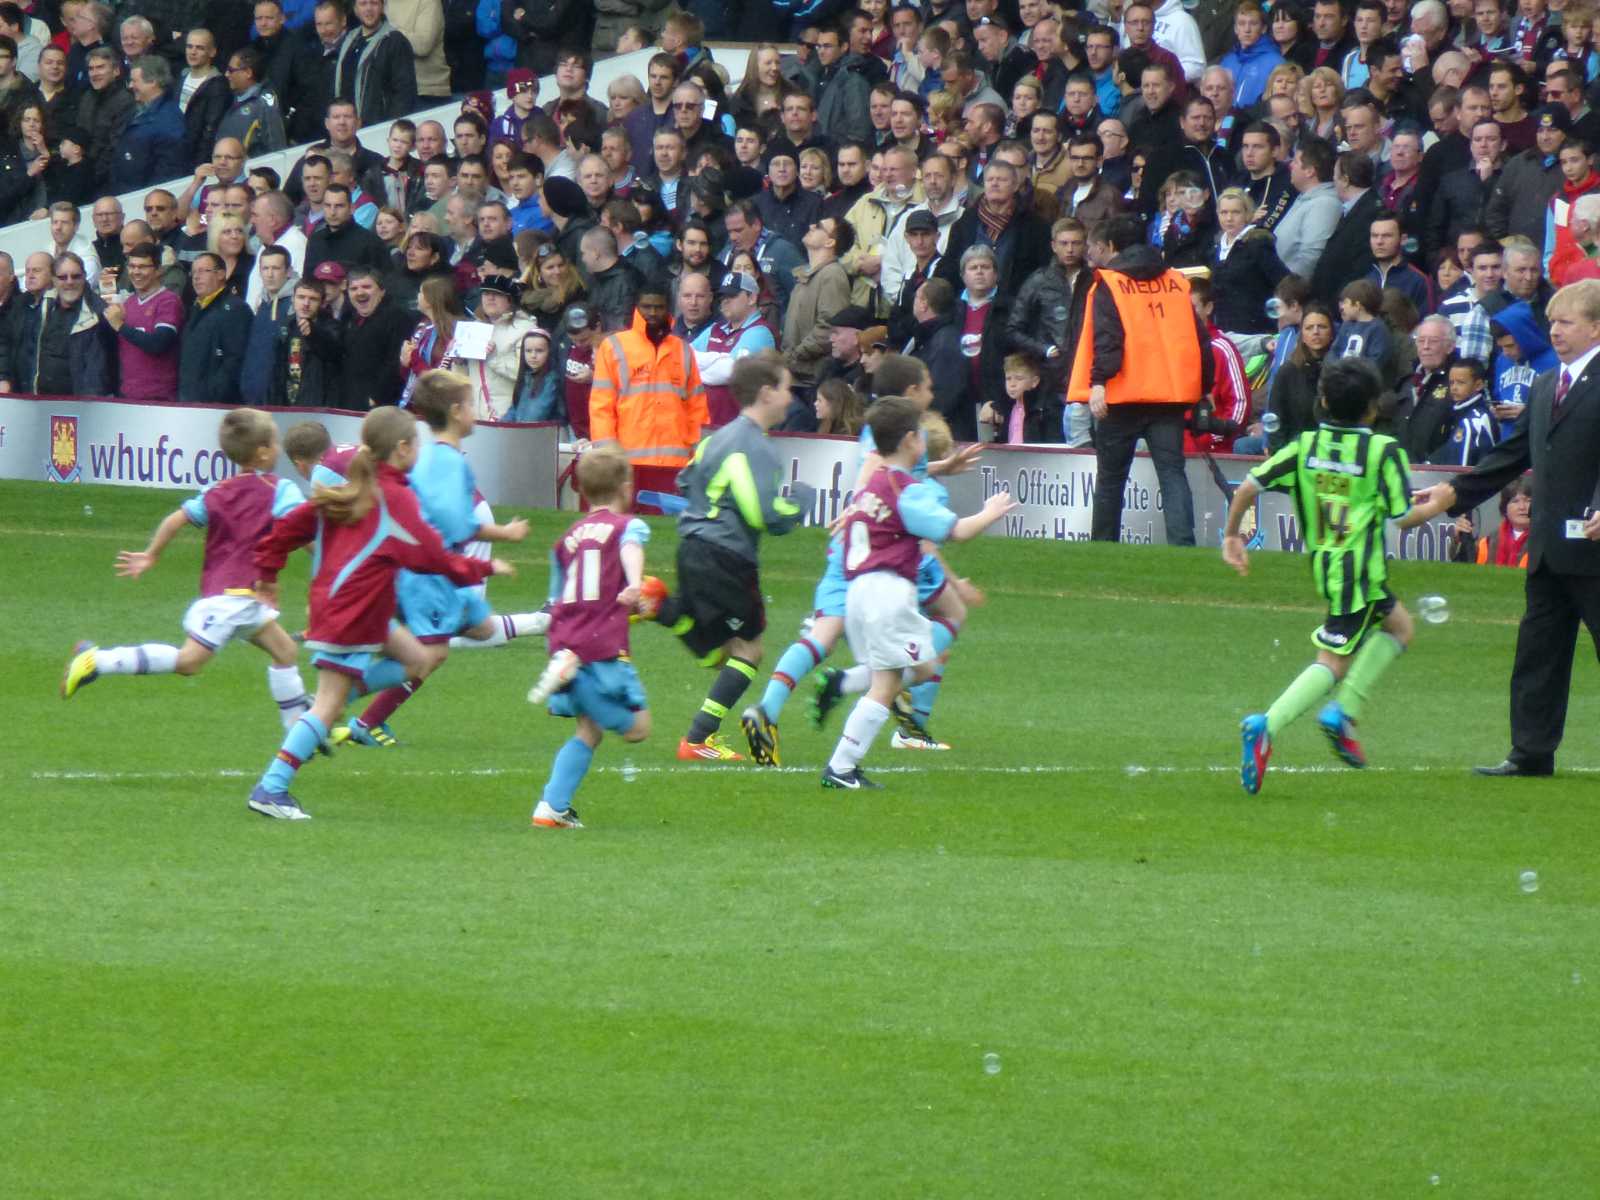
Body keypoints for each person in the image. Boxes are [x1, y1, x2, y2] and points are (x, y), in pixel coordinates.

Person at [246, 407, 510, 819]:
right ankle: (272, 787)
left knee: (420, 659)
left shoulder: (353, 486)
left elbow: (289, 528)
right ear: (402, 448)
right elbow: (428, 552)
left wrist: (267, 571)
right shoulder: (393, 495)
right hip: (353, 612)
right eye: (415, 443)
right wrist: (481, 567)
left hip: (361, 607)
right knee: (329, 705)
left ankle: (331, 704)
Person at [1226, 356, 1433, 792]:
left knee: (1400, 628)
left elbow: (1247, 487)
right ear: (1374, 408)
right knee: (1333, 663)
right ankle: (1271, 723)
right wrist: (1447, 500)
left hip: (1330, 567)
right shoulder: (1382, 450)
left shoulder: (1305, 447)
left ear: (1322, 400)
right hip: (1358, 574)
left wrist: (1232, 537)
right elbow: (1405, 516)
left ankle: (1344, 713)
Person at [60, 408, 311, 732]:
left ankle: (299, 734)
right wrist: (329, 556)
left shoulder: (218, 491)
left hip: (236, 597)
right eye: (275, 442)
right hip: (236, 598)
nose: (278, 448)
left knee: (286, 651)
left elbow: (176, 519)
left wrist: (152, 555)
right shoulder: (280, 490)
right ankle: (95, 662)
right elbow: (300, 529)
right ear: (263, 451)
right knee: (189, 662)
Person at [811, 396, 1015, 790]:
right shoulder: (906, 489)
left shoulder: (874, 479)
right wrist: (991, 511)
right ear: (910, 441)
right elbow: (955, 532)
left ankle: (840, 685)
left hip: (862, 591)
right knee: (886, 684)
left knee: (923, 667)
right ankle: (842, 767)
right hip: (887, 592)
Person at [334, 371, 543, 748]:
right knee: (430, 654)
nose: (475, 412)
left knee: (478, 629)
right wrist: (504, 534)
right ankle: (345, 700)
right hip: (430, 573)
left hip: (429, 571)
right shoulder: (449, 462)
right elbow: (454, 523)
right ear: (457, 410)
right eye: (471, 403)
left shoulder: (427, 455)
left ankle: (364, 713)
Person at [640, 351, 815, 763]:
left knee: (717, 647)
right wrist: (801, 500)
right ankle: (699, 738)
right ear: (767, 392)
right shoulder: (753, 446)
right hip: (727, 556)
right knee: (748, 650)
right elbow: (765, 515)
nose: (791, 398)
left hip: (692, 547)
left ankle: (665, 608)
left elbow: (685, 480)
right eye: (787, 389)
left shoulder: (716, 438)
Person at [1067, 216, 1211, 545]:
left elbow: (1108, 338)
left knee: (1111, 479)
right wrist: (1204, 389)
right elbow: (1200, 339)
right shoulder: (1176, 281)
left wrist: (1099, 382)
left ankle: (1103, 547)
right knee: (1172, 473)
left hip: (1122, 396)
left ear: (1113, 247)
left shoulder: (1109, 282)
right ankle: (1183, 546)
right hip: (1169, 396)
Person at [588, 285, 709, 470]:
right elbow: (601, 407)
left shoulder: (682, 349)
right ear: (636, 307)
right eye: (646, 306)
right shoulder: (613, 347)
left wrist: (699, 455)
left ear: (668, 308)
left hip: (676, 464)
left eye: (659, 307)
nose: (652, 312)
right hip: (627, 464)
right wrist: (607, 455)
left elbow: (697, 409)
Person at [691, 270, 777, 427]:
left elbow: (732, 371)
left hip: (740, 428)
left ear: (752, 298)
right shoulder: (715, 329)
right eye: (723, 296)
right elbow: (682, 359)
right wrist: (718, 361)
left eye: (732, 296)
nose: (725, 301)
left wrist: (700, 366)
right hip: (705, 424)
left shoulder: (760, 332)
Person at [102, 242, 182, 402]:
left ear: (159, 270)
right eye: (132, 266)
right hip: (127, 396)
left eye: (143, 267)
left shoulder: (169, 301)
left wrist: (120, 326)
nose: (136, 272)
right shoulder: (128, 303)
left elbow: (158, 344)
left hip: (159, 398)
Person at [1451, 477, 1533, 567]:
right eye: (1515, 501)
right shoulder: (1486, 543)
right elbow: (1463, 568)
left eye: (1528, 501)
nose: (1522, 507)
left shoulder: (1545, 542)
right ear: (1505, 508)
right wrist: (1458, 539)